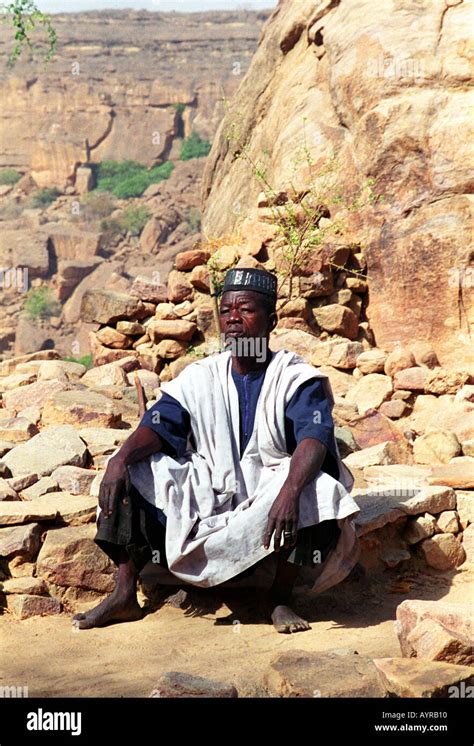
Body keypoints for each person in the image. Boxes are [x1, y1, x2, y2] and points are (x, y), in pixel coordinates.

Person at [73, 267, 360, 633]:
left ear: (270, 320)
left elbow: (314, 438)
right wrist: (119, 460)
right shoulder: (201, 376)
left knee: (317, 486)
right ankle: (125, 593)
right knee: (129, 467)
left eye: (245, 310)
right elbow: (158, 425)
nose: (233, 319)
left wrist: (289, 492)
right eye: (226, 312)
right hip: (209, 490)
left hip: (269, 496)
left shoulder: (295, 377)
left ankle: (279, 596)